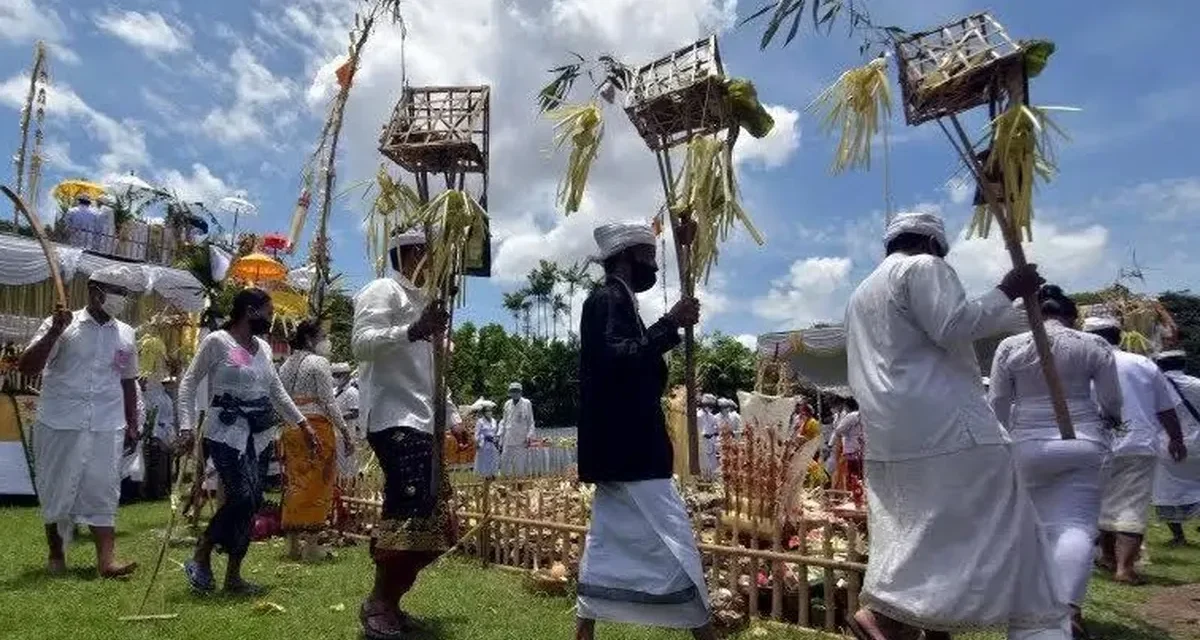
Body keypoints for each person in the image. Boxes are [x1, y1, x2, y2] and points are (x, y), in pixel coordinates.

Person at [844, 211, 1068, 640]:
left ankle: (924, 622)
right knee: (990, 518)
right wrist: (1008, 290)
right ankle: (889, 618)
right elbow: (955, 325)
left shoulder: (861, 291)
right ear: (933, 245)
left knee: (916, 527)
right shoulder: (924, 266)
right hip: (946, 424)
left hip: (893, 432)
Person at [575, 220, 714, 640]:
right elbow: (616, 360)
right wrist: (670, 325)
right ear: (626, 256)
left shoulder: (622, 301)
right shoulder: (605, 298)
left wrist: (665, 332)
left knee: (605, 548)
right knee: (678, 543)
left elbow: (632, 365)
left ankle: (584, 633)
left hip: (624, 452)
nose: (653, 265)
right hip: (630, 450)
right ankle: (705, 634)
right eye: (648, 256)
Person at [989, 285, 1123, 636]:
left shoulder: (1010, 346)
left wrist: (1003, 444)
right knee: (1075, 527)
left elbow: (999, 403)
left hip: (1028, 445)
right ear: (1071, 317)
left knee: (1032, 530)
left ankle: (1032, 611)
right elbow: (1111, 402)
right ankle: (1066, 610)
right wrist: (1108, 420)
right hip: (1083, 441)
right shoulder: (1094, 345)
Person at [352, 227, 455, 639]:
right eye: (433, 255)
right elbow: (361, 344)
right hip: (394, 416)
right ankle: (378, 603)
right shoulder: (383, 290)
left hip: (424, 419)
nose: (439, 265)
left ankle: (390, 602)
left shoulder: (425, 302)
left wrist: (453, 415)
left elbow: (432, 373)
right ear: (412, 254)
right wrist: (413, 330)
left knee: (433, 516)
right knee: (408, 512)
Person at [177, 288, 311, 595]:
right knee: (241, 497)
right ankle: (203, 549)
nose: (270, 317)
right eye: (267, 311)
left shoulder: (262, 348)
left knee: (251, 504)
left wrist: (302, 423)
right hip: (226, 431)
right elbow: (188, 383)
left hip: (260, 434)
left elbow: (276, 391)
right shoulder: (217, 342)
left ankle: (233, 577)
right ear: (250, 311)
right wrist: (186, 427)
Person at [19, 266, 142, 577]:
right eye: (115, 291)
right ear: (93, 290)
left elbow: (128, 380)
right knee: (57, 487)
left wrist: (132, 421)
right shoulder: (61, 324)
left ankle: (106, 561)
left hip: (106, 423)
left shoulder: (126, 334)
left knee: (104, 487)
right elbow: (28, 367)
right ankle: (57, 555)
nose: (120, 299)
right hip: (60, 421)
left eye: (125, 293)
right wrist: (53, 332)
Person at [1083, 316, 1187, 583]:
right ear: (1118, 336)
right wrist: (1176, 439)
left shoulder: (1080, 364)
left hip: (1093, 444)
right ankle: (1125, 568)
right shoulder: (1142, 364)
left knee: (1099, 503)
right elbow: (1166, 407)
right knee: (1131, 506)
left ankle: (1107, 558)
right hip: (1137, 443)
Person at [279, 319, 354, 562]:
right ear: (310, 339)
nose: (327, 342)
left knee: (295, 483)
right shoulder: (318, 363)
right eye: (323, 337)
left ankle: (291, 545)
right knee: (317, 485)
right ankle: (311, 546)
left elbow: (280, 399)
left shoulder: (285, 365)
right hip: (316, 427)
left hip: (291, 428)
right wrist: (344, 430)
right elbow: (328, 401)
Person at [1151, 350, 1200, 546]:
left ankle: (1179, 537)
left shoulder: (1156, 388)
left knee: (1166, 489)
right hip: (1198, 441)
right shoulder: (1197, 384)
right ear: (1183, 364)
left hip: (1167, 443)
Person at [332, 363, 363, 482]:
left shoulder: (352, 392)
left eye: (338, 375)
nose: (336, 378)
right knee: (339, 464)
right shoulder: (334, 391)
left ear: (346, 375)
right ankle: (342, 486)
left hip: (349, 433)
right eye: (334, 375)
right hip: (336, 432)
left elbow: (356, 412)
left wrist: (339, 417)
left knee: (350, 464)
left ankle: (351, 487)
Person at [499, 382, 536, 477]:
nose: (514, 393)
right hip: (508, 439)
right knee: (504, 464)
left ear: (520, 392)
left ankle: (520, 486)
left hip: (521, 439)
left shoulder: (526, 403)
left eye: (516, 391)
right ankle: (506, 485)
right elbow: (504, 421)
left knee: (520, 466)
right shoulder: (507, 404)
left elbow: (531, 422)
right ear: (509, 392)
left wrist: (529, 436)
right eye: (512, 391)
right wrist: (499, 436)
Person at [829, 399, 864, 490]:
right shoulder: (861, 415)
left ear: (847, 407)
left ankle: (851, 494)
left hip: (851, 448)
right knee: (859, 474)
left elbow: (839, 430)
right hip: (860, 447)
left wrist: (830, 444)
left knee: (851, 474)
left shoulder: (851, 416)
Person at [472, 399, 500, 478]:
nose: (489, 412)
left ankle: (492, 473)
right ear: (484, 412)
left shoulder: (494, 421)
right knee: (484, 459)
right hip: (483, 443)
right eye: (487, 411)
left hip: (492, 443)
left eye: (490, 411)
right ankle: (484, 474)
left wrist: (496, 438)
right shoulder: (480, 421)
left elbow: (495, 431)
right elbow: (477, 433)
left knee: (493, 458)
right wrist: (478, 441)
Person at [697, 394, 720, 479]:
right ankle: (703, 480)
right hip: (702, 441)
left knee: (712, 462)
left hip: (711, 441)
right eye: (708, 405)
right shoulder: (698, 415)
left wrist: (715, 432)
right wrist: (704, 434)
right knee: (703, 462)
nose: (709, 407)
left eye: (711, 406)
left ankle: (711, 479)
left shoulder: (712, 416)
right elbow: (698, 430)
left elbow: (716, 427)